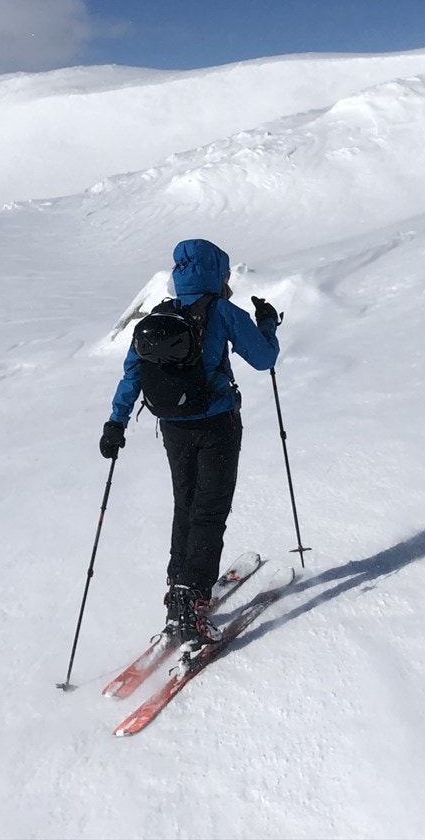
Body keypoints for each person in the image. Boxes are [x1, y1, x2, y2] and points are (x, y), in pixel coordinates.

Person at [98, 238, 281, 647]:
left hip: (173, 427)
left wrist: (116, 423)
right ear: (217, 272)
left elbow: (132, 375)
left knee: (187, 505)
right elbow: (264, 358)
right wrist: (266, 322)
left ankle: (177, 591)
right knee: (210, 511)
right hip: (217, 424)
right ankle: (193, 604)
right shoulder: (222, 311)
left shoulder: (161, 315)